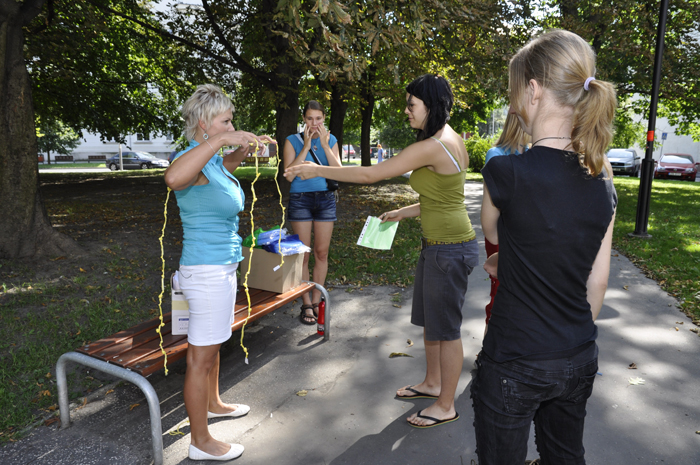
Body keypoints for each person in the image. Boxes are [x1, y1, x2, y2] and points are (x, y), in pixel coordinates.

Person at [285, 74, 479, 428]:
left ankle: (445, 405)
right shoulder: (447, 137)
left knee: (446, 330)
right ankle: (432, 383)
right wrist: (404, 212)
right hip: (439, 247)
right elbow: (443, 198)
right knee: (432, 323)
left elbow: (369, 176)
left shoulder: (433, 145)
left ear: (430, 106)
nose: (406, 111)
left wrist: (316, 169)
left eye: (411, 104)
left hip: (449, 250)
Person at [474, 29, 617, 464]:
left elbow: (492, 233)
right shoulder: (603, 181)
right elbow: (597, 281)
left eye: (516, 90)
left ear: (533, 91)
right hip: (578, 353)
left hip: (515, 357)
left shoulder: (506, 172)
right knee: (565, 455)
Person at [164, 84, 275, 462]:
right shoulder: (189, 156)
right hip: (205, 271)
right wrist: (223, 140)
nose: (232, 126)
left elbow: (221, 170)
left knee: (211, 348)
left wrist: (244, 149)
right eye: (225, 121)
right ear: (204, 124)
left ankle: (212, 403)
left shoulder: (210, 160)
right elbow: (173, 179)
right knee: (200, 357)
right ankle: (200, 442)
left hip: (220, 267)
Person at [283, 100, 342, 325]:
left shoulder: (331, 140)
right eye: (309, 118)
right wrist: (306, 146)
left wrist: (325, 146)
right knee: (304, 255)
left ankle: (317, 301)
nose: (314, 123)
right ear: (304, 119)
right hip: (301, 200)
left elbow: (339, 171)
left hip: (325, 199)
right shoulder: (292, 140)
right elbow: (289, 175)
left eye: (318, 118)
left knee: (322, 253)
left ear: (324, 118)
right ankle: (306, 303)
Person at [482, 114, 530, 332]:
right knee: (499, 293)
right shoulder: (496, 154)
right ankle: (488, 345)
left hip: (523, 235)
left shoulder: (532, 153)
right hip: (501, 233)